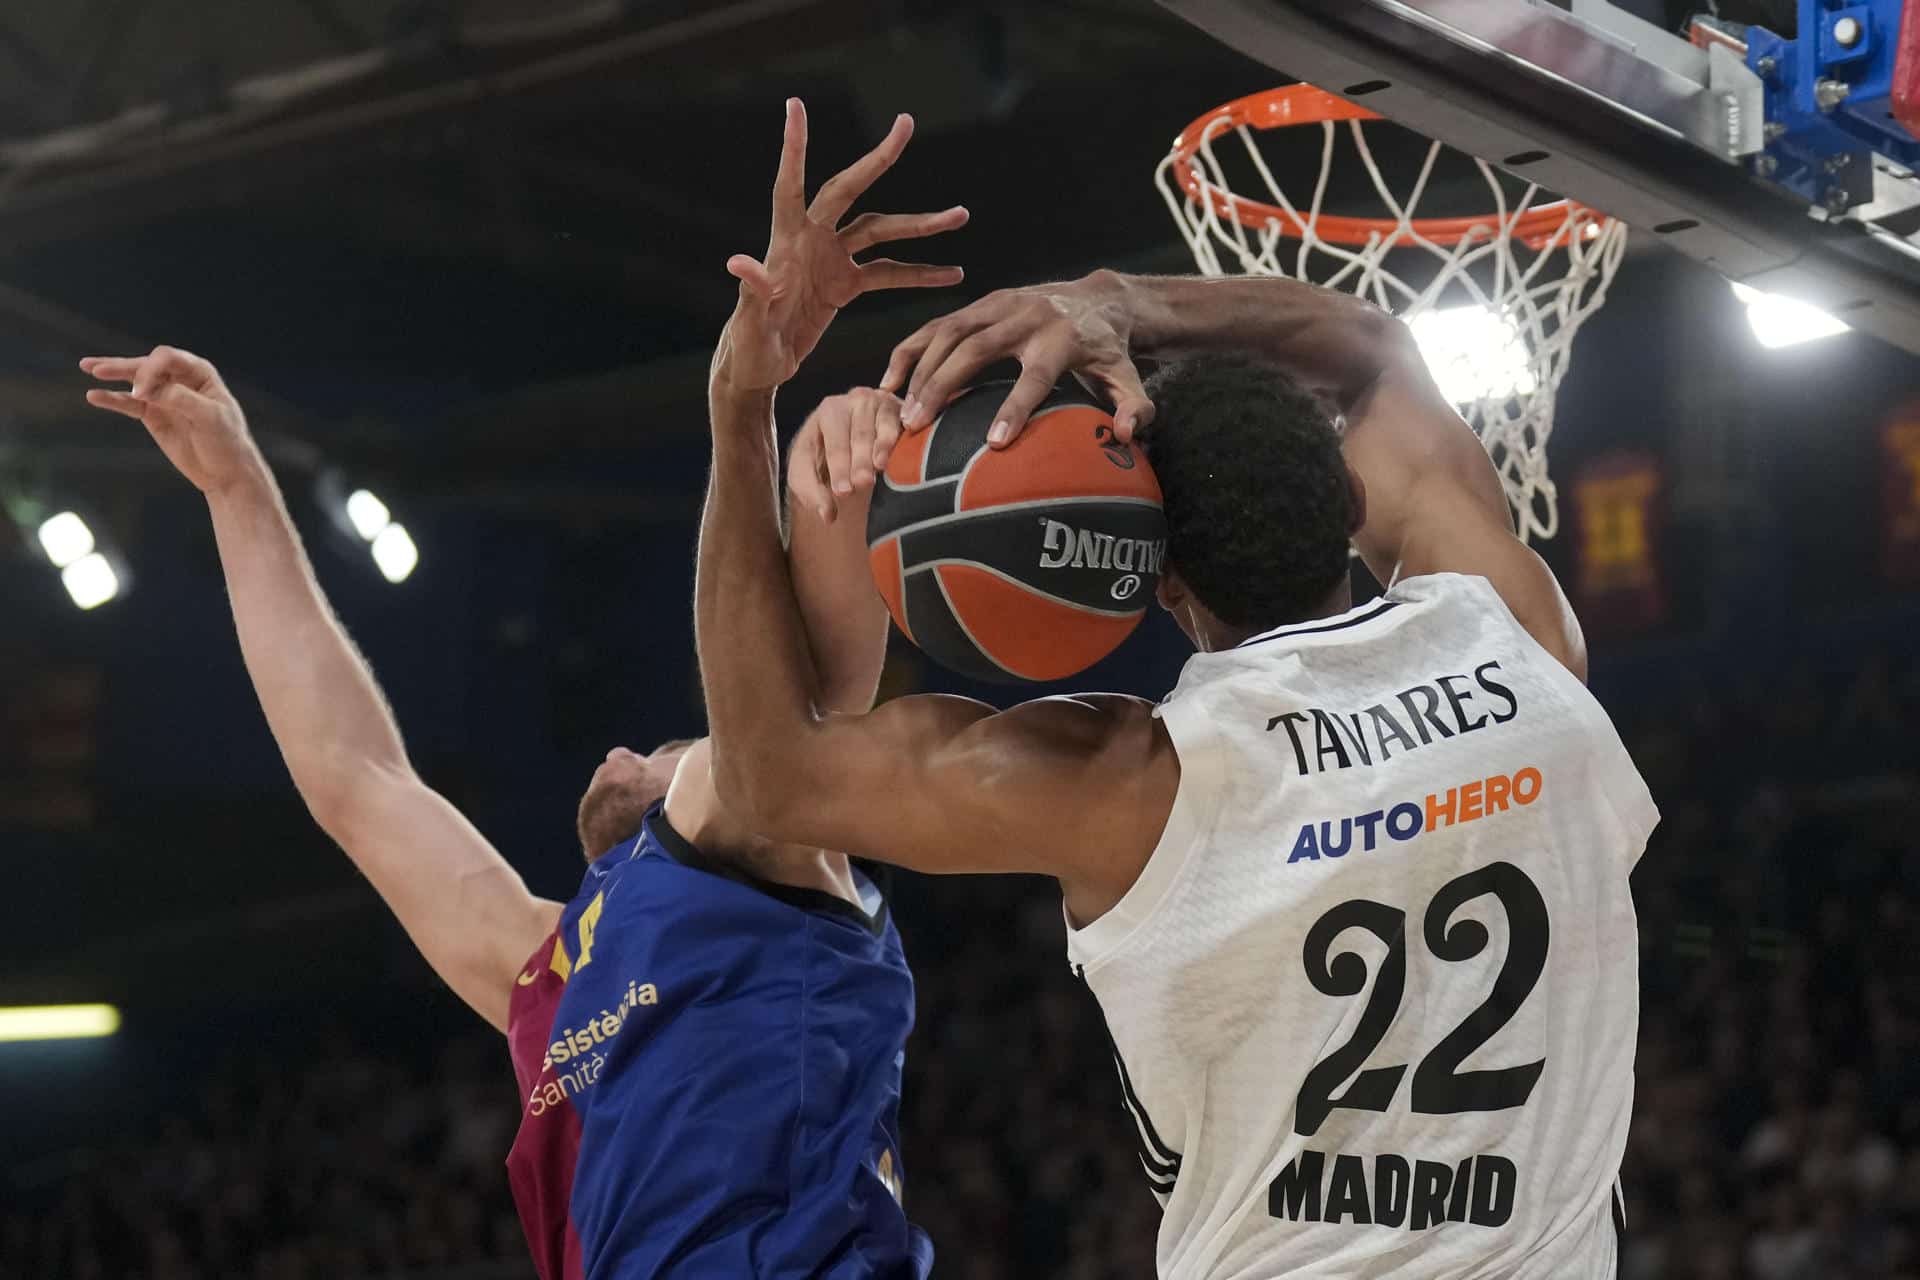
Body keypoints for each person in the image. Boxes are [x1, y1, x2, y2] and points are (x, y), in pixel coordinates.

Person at [700, 99, 1657, 1279]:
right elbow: (1378, 351)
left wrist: (743, 403)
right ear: (1352, 509)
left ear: (1154, 585)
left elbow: (768, 772)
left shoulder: (1137, 783)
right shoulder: (1523, 646)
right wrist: (1113, 302)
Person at [77, 113, 963, 1280]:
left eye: (660, 743)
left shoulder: (755, 835)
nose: (620, 748)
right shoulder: (552, 966)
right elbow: (356, 780)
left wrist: (794, 431)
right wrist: (238, 485)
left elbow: (798, 709)